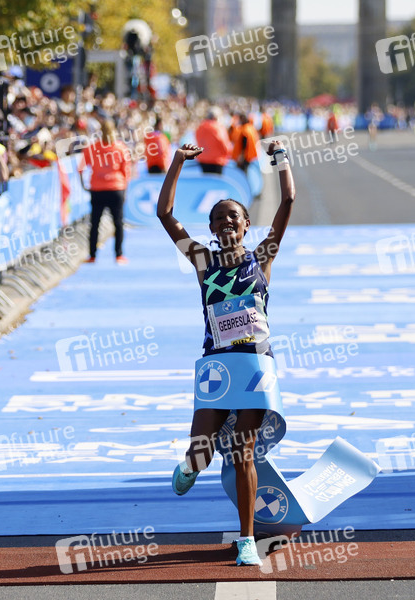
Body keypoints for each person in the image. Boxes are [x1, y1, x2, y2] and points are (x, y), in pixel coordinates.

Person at [157, 141, 295, 566]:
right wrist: (177, 161)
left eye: (233, 216)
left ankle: (246, 540)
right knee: (202, 451)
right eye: (219, 219)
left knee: (242, 451)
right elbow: (165, 214)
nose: (226, 222)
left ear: (247, 223)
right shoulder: (203, 261)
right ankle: (189, 467)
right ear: (213, 228)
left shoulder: (262, 257)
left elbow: (288, 201)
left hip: (255, 365)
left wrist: (280, 159)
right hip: (216, 366)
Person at [81, 119, 132, 264]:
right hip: (116, 188)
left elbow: (81, 167)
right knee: (118, 222)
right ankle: (119, 255)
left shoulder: (92, 148)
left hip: (97, 189)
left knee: (95, 223)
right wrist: (125, 189)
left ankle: (92, 255)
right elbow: (126, 171)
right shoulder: (121, 148)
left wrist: (83, 185)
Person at [195, 108, 232, 175]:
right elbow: (224, 144)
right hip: (217, 161)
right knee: (216, 180)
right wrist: (228, 153)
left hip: (203, 160)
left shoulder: (200, 127)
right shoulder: (218, 127)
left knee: (206, 179)